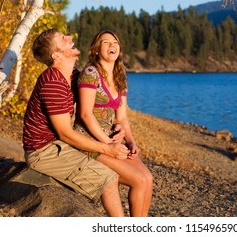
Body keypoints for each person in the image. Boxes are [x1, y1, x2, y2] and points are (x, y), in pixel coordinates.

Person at [23, 28, 130, 217]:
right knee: (108, 178)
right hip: (43, 151)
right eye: (63, 39)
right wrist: (107, 147)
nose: (70, 38)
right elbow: (65, 133)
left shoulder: (72, 74)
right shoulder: (52, 82)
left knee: (109, 170)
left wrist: (118, 124)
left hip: (57, 143)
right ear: (56, 55)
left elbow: (95, 104)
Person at [74, 30, 153, 217]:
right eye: (105, 42)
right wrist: (109, 145)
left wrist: (131, 142)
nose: (112, 45)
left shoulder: (120, 76)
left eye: (115, 42)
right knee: (139, 180)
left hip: (111, 140)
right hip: (90, 142)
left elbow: (121, 118)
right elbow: (85, 115)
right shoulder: (90, 73)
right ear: (95, 49)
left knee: (148, 178)